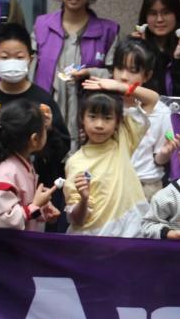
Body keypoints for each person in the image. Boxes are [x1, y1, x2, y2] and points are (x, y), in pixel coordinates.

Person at [0, 24, 71, 200]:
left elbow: (61, 150)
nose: (12, 62)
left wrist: (49, 129)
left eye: (19, 57)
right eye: (5, 57)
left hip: (39, 190)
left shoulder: (43, 100)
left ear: (30, 59)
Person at [64, 79, 159, 237]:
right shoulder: (75, 162)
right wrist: (84, 199)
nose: (99, 125)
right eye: (92, 116)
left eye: (107, 118)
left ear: (118, 122)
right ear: (82, 118)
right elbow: (77, 220)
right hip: (94, 240)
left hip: (131, 235)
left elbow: (152, 99)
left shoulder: (123, 139)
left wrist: (120, 86)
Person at [31, 0, 118, 129]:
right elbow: (29, 72)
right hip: (46, 118)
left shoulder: (108, 31)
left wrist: (91, 73)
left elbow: (116, 76)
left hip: (91, 121)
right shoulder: (42, 26)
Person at [0, 99, 60, 230]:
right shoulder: (5, 173)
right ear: (34, 139)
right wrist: (35, 205)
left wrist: (42, 209)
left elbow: (19, 205)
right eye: (45, 129)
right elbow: (0, 222)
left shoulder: (21, 164)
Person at [110, 38, 175, 201]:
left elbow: (158, 160)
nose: (123, 77)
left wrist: (165, 153)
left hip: (146, 186)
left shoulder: (160, 111)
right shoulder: (104, 104)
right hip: (110, 184)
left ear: (147, 75)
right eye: (119, 68)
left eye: (132, 71)